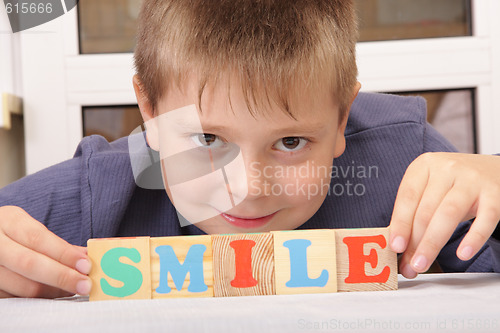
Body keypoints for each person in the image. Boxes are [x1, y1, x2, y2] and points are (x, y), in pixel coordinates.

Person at [0, 0, 499, 299]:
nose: (248, 190)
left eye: (290, 141)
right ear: (150, 112)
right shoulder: (100, 192)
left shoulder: (407, 164)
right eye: (208, 140)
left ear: (343, 117)